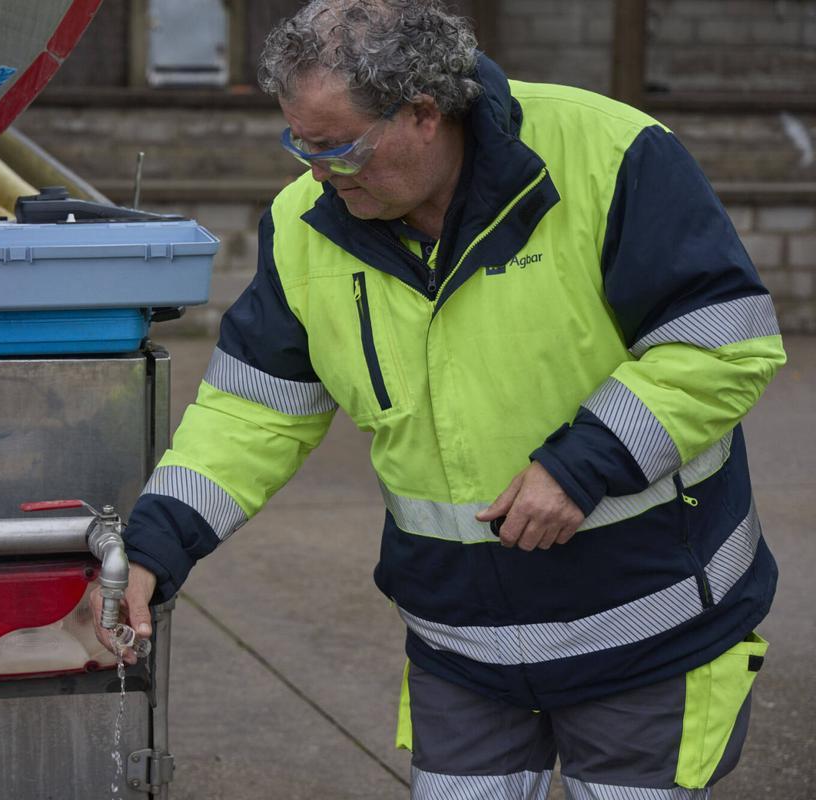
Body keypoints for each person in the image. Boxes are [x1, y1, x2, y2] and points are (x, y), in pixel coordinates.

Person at [91, 1, 786, 797]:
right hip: (463, 649)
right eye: (298, 143)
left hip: (646, 631)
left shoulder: (611, 155)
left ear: (423, 113)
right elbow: (253, 412)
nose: (315, 171)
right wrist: (153, 548)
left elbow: (720, 343)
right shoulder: (304, 226)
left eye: (336, 146)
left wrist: (583, 465)